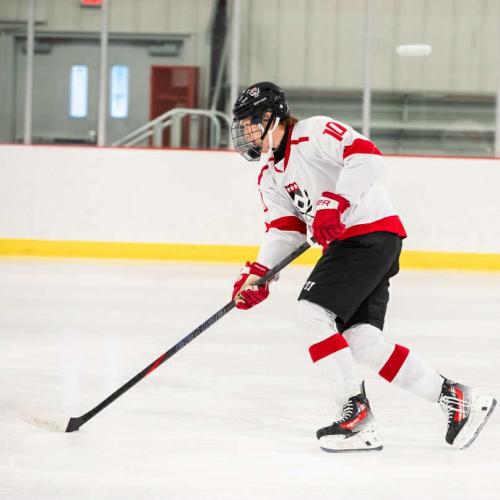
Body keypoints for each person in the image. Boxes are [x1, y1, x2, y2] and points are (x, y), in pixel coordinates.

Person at [230, 81, 496, 452]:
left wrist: (335, 202)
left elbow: (367, 156)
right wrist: (259, 274)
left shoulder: (313, 131)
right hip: (357, 243)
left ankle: (355, 415)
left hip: (369, 233)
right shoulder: (270, 175)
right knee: (361, 341)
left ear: (272, 117)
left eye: (250, 124)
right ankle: (457, 399)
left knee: (311, 315)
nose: (245, 134)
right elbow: (285, 230)